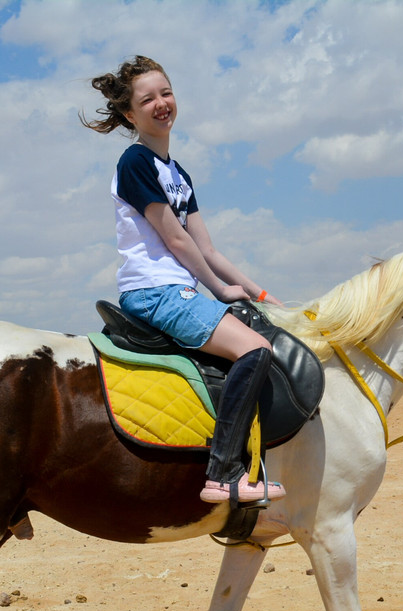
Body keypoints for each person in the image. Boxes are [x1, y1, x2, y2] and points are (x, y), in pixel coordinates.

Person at [82, 55, 285, 505]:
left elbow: (207, 249)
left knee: (263, 329)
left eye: (166, 93)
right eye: (147, 100)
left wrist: (261, 294)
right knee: (255, 349)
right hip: (155, 291)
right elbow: (175, 239)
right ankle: (225, 473)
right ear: (129, 115)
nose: (161, 104)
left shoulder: (178, 174)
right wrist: (219, 289)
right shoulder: (135, 161)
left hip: (180, 288)